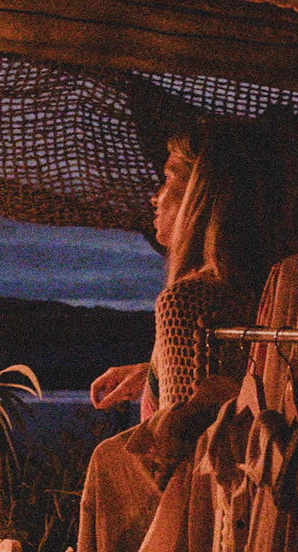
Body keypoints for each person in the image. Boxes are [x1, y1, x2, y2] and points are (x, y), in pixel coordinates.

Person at [88, 122, 268, 422]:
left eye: (168, 179)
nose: (155, 198)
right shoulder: (251, 288)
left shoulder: (187, 301)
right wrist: (153, 375)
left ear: (199, 196)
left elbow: (176, 448)